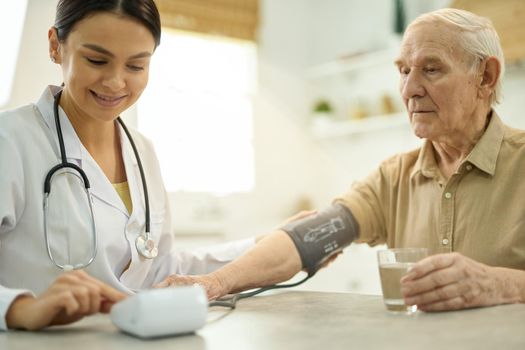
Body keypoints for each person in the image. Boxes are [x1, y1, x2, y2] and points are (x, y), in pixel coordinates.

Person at [158, 8, 525, 311]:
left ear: (486, 76)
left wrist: (498, 284)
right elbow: (308, 237)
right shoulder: (394, 177)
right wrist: (212, 283)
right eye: (403, 70)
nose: (410, 89)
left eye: (431, 69)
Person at [0, 0, 257, 331]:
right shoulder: (10, 140)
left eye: (136, 66)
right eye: (96, 60)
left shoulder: (142, 151)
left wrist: (258, 248)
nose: (115, 82)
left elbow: (160, 268)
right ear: (55, 46)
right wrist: (20, 309)